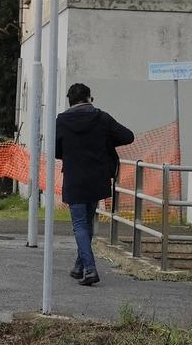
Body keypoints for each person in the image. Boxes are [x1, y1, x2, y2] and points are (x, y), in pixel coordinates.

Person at [55, 82, 134, 286]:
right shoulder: (102, 118)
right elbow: (128, 136)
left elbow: (56, 150)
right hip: (97, 179)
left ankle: (89, 269)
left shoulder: (62, 121)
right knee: (87, 223)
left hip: (74, 178)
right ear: (89, 98)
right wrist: (103, 140)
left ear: (70, 101)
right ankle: (80, 265)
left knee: (80, 225)